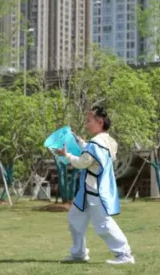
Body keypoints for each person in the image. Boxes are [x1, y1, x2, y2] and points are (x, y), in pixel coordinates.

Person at [53, 106, 133, 265]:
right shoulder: (109, 141)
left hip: (95, 191)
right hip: (89, 190)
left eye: (89, 121)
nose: (86, 125)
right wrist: (80, 142)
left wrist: (66, 155)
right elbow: (93, 154)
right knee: (75, 219)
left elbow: (82, 162)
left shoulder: (95, 144)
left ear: (100, 122)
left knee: (103, 224)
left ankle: (124, 255)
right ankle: (79, 254)